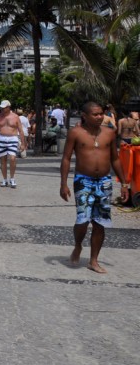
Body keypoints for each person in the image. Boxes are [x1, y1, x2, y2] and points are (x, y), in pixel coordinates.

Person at [60, 101, 130, 274]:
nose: (100, 117)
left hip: (104, 182)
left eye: (101, 113)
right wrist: (63, 184)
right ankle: (78, 244)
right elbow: (66, 158)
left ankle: (93, 260)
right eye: (96, 114)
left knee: (100, 223)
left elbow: (115, 159)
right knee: (82, 220)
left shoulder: (109, 133)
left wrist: (124, 183)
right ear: (85, 116)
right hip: (83, 181)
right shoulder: (75, 133)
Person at [0, 100, 27, 188]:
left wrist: (23, 144)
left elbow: (21, 130)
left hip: (13, 138)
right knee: (3, 160)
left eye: (4, 107)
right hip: (1, 138)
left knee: (13, 158)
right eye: (1, 108)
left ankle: (12, 178)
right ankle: (5, 179)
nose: (2, 109)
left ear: (8, 107)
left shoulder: (15, 117)